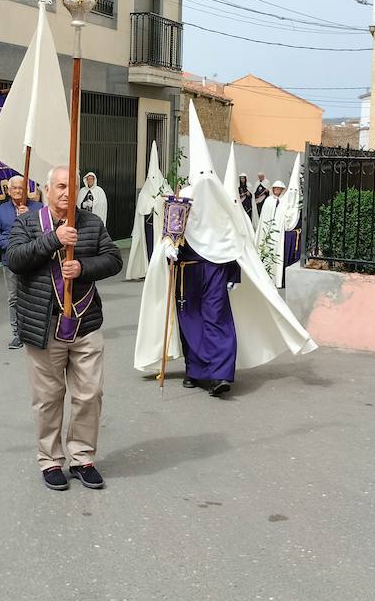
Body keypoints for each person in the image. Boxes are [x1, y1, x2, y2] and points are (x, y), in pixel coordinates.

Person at [135, 103, 317, 397]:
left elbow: (236, 238)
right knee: (190, 321)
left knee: (217, 319)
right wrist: (168, 248)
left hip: (216, 271)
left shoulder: (221, 200)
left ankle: (220, 373)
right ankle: (196, 370)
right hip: (187, 271)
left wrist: (233, 271)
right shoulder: (181, 200)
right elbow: (170, 235)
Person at [5, 166, 122, 490]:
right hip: (44, 324)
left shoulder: (91, 223)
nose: (65, 192)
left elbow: (113, 259)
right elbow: (15, 259)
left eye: (71, 186)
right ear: (46, 189)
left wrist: (83, 267)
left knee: (90, 395)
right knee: (48, 398)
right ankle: (51, 460)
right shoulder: (28, 223)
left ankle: (82, 457)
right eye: (59, 186)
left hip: (86, 322)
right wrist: (52, 240)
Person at [0, 175, 41, 349]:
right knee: (14, 298)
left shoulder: (38, 208)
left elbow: (46, 232)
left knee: (36, 296)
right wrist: (12, 245)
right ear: (8, 191)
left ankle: (36, 332)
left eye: (21, 188)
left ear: (26, 190)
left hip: (34, 259)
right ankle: (17, 334)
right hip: (11, 261)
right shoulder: (1, 210)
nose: (18, 191)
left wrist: (29, 217)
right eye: (14, 188)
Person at [126, 142, 166, 281]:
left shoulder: (164, 191)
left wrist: (158, 203)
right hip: (147, 228)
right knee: (148, 248)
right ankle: (148, 268)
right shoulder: (144, 193)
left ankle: (159, 270)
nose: (152, 181)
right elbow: (141, 210)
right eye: (150, 179)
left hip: (159, 229)